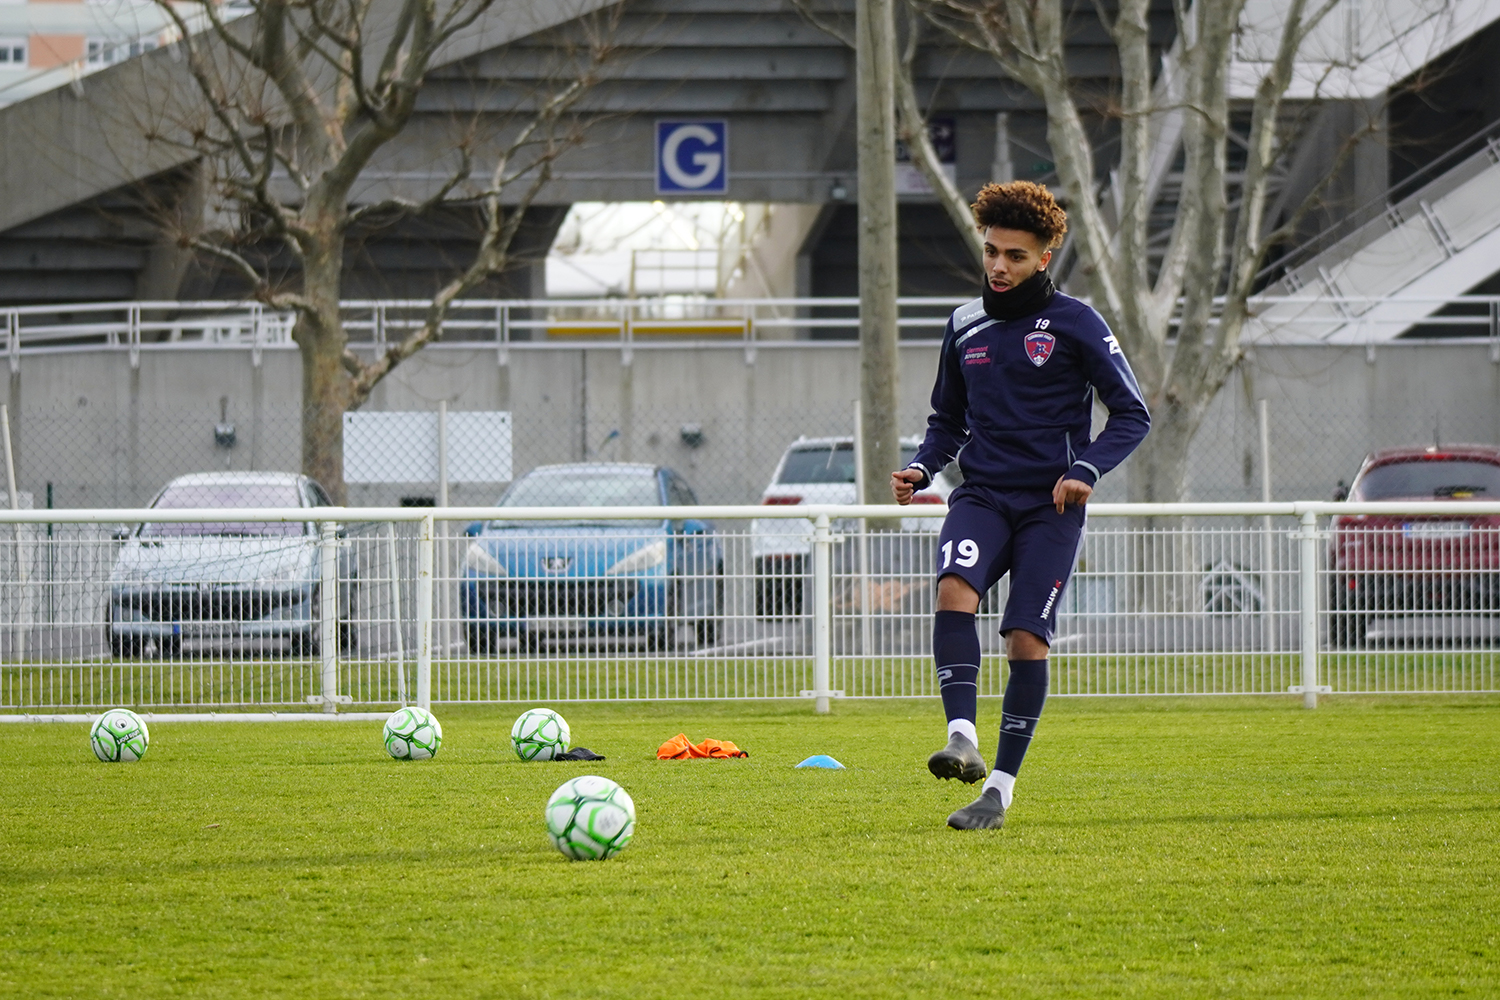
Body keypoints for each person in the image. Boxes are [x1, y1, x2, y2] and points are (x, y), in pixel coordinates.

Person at [891, 181, 1150, 830]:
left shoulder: (1077, 323)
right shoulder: (963, 325)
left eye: (1015, 255)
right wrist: (924, 465)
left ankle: (998, 793)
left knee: (1025, 638)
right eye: (991, 253)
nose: (999, 266)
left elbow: (1131, 414)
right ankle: (961, 738)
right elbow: (946, 419)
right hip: (981, 495)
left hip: (1048, 509)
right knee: (954, 589)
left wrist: (1086, 469)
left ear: (1043, 260)